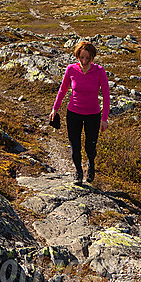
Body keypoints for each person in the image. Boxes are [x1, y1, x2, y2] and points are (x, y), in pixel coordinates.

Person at [50, 41, 110, 185]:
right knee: (75, 146)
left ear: (92, 58)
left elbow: (106, 95)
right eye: (81, 57)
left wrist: (104, 118)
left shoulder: (99, 71)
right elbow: (62, 90)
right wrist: (55, 108)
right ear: (77, 56)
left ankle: (91, 164)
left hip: (93, 115)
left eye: (87, 58)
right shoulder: (71, 69)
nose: (84, 61)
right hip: (73, 113)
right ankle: (78, 172)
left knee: (90, 147)